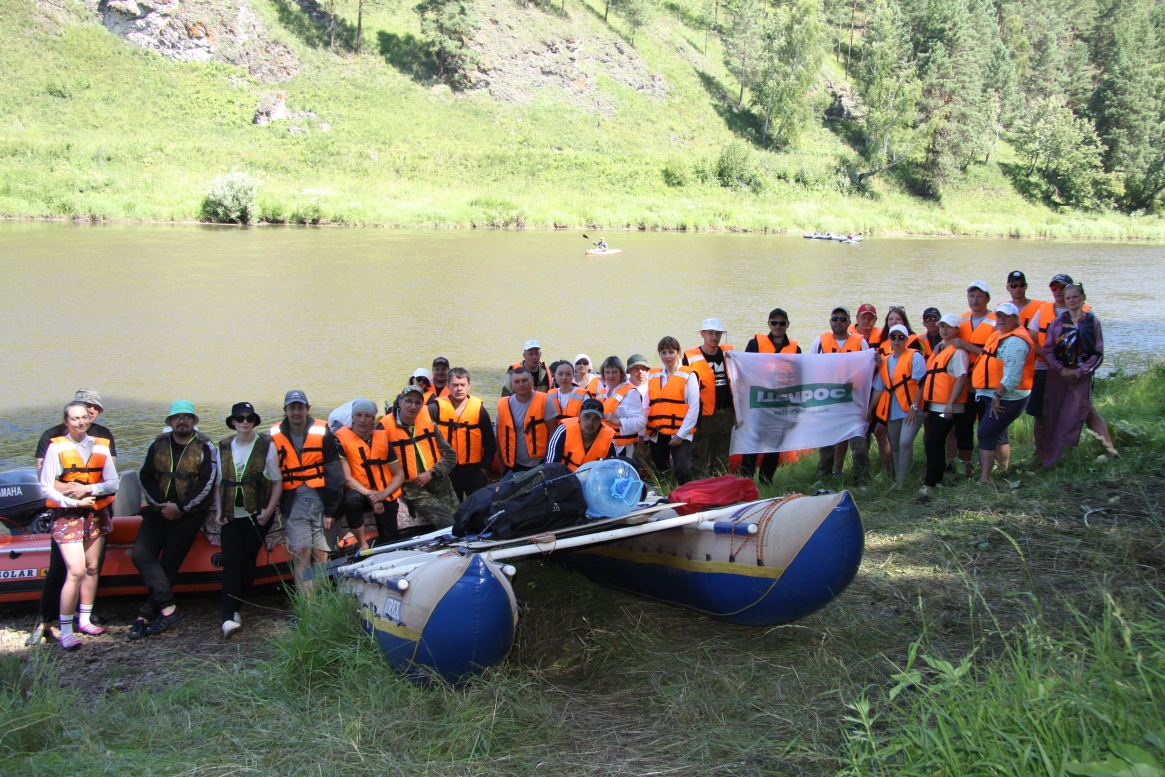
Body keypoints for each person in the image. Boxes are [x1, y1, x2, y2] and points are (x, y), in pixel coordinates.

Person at [28, 388, 116, 646]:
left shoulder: (102, 440)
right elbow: (47, 483)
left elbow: (111, 480)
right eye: (77, 414)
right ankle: (51, 623)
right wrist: (71, 497)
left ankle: (85, 619)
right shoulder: (53, 442)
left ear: (95, 414)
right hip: (66, 515)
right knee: (68, 570)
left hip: (97, 512)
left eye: (90, 411)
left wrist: (90, 490)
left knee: (91, 567)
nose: (84, 417)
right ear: (67, 419)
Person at [132, 401, 217, 639]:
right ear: (170, 422)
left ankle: (145, 614)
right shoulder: (157, 444)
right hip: (158, 512)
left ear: (193, 421)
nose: (182, 421)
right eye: (177, 417)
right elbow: (145, 477)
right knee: (141, 555)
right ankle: (168, 608)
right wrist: (161, 506)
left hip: (188, 514)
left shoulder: (205, 446)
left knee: (169, 563)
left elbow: (207, 483)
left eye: (187, 417)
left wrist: (180, 507)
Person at [216, 402, 282, 639]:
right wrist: (218, 510)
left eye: (249, 418)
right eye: (240, 418)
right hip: (231, 515)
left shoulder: (266, 445)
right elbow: (218, 485)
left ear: (254, 422)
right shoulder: (223, 447)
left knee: (247, 561)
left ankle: (235, 606)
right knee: (232, 561)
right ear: (233, 422)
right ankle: (228, 615)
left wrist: (269, 509)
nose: (245, 422)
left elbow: (276, 482)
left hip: (258, 514)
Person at [270, 390, 344, 592]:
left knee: (321, 555)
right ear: (285, 410)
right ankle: (307, 606)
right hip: (294, 502)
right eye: (292, 407)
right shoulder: (274, 435)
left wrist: (331, 511)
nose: (296, 412)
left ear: (307, 409)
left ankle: (321, 601)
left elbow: (335, 472)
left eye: (300, 407)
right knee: (302, 551)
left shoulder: (322, 431)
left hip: (321, 501)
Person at [1041, 284, 1118, 465]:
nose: (1072, 301)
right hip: (1058, 374)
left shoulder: (1092, 323)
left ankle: (1060, 457)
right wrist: (1060, 369)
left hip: (1081, 376)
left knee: (1072, 414)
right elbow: (1048, 349)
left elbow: (1098, 352)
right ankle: (1050, 456)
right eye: (1068, 298)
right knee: (1053, 413)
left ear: (1083, 298)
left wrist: (1080, 371)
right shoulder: (1058, 323)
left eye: (1075, 297)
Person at [1027, 273, 1093, 462]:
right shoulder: (1044, 310)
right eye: (1054, 288)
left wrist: (1075, 369)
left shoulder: (1087, 315)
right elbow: (1032, 338)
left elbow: (1093, 348)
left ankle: (1067, 452)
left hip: (1071, 372)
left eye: (1062, 288)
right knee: (1040, 413)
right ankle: (1041, 453)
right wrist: (1050, 360)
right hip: (1044, 368)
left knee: (1073, 411)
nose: (1058, 292)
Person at [970, 303, 1034, 483]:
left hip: (1006, 396)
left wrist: (997, 396)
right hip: (993, 393)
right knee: (997, 433)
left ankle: (985, 479)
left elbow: (1012, 377)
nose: (1002, 320)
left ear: (1016, 318)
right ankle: (1001, 471)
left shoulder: (1016, 341)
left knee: (986, 433)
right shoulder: (1000, 335)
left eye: (1006, 316)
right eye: (999, 316)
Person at [380, 385, 459, 528]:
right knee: (450, 524)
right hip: (415, 490)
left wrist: (431, 473)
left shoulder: (428, 422)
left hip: (440, 482)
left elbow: (450, 456)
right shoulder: (384, 428)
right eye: (408, 401)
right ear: (400, 402)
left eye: (417, 402)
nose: (413, 406)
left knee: (463, 520)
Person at [811, 307, 871, 483]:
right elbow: (809, 366)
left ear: (849, 322)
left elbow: (867, 371)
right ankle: (823, 476)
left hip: (853, 399)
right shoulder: (820, 341)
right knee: (827, 443)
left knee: (858, 443)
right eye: (835, 319)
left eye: (843, 319)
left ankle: (862, 480)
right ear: (830, 321)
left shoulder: (860, 343)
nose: (839, 322)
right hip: (827, 399)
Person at [335, 399, 407, 545]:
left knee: (390, 537)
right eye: (359, 415)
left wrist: (383, 495)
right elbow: (347, 478)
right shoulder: (340, 440)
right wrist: (372, 496)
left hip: (382, 492)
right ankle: (363, 544)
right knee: (351, 498)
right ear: (353, 417)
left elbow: (399, 474)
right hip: (360, 492)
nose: (362, 420)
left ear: (373, 419)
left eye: (367, 416)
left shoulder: (382, 440)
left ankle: (389, 545)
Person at [742, 310, 801, 482]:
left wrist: (795, 407)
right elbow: (744, 368)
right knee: (752, 443)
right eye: (774, 323)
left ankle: (766, 481)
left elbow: (799, 377)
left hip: (781, 404)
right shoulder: (755, 344)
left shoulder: (795, 348)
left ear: (787, 325)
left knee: (774, 446)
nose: (778, 326)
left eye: (782, 323)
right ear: (768, 324)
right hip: (758, 403)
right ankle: (746, 481)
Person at [919, 314, 969, 491]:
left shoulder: (958, 352)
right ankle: (937, 478)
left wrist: (950, 404)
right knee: (935, 442)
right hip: (934, 405)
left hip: (948, 407)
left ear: (957, 329)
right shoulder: (940, 349)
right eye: (942, 326)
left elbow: (961, 379)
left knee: (933, 442)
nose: (944, 329)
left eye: (948, 326)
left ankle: (930, 483)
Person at [870, 325, 927, 483]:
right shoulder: (885, 361)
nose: (897, 340)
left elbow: (921, 383)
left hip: (912, 408)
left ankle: (902, 481)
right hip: (892, 408)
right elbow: (878, 388)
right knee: (895, 445)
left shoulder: (914, 357)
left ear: (907, 339)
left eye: (901, 337)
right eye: (893, 337)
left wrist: (914, 407)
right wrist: (870, 410)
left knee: (905, 442)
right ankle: (899, 479)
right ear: (889, 339)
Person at [431, 368, 496, 501]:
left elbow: (490, 442)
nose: (459, 389)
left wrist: (484, 468)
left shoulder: (479, 410)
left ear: (469, 386)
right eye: (455, 385)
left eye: (462, 385)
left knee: (479, 509)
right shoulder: (435, 409)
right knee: (451, 512)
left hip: (474, 470)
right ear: (448, 385)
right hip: (446, 470)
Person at [952, 280, 997, 470]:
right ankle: (966, 467)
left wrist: (966, 346)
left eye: (979, 296)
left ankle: (996, 467)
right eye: (971, 295)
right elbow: (953, 343)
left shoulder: (996, 321)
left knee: (990, 427)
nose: (975, 300)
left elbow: (995, 354)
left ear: (987, 298)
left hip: (988, 383)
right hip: (966, 383)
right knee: (964, 426)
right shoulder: (962, 319)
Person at [683, 318, 735, 475]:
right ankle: (696, 490)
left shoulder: (729, 354)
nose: (714, 337)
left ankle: (718, 488)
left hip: (725, 412)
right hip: (703, 415)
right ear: (703, 334)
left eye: (718, 333)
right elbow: (683, 387)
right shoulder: (690, 357)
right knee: (699, 456)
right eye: (710, 333)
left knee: (721, 458)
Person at [646, 337, 700, 484]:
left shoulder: (689, 375)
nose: (667, 356)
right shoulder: (653, 375)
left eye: (671, 352)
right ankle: (666, 499)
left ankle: (689, 498)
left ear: (678, 353)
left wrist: (681, 435)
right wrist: (642, 435)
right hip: (657, 433)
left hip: (681, 431)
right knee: (661, 472)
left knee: (681, 470)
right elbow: (646, 406)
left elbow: (694, 408)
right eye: (663, 352)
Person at [496, 367, 558, 476]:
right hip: (513, 465)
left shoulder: (545, 400)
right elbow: (499, 439)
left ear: (532, 381)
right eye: (517, 381)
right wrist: (503, 469)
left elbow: (553, 435)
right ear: (512, 384)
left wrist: (549, 464)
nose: (521, 384)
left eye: (524, 380)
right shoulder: (503, 405)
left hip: (539, 463)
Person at [545, 399, 617, 471]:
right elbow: (550, 467)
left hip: (593, 481)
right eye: (587, 416)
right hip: (563, 479)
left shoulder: (609, 442)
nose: (591, 422)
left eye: (596, 418)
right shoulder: (563, 431)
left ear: (601, 421)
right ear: (579, 416)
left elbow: (613, 472)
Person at [595, 356, 647, 457]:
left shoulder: (630, 393)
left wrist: (618, 421)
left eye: (614, 372)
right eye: (607, 372)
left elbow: (640, 422)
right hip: (603, 445)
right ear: (603, 374)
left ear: (621, 373)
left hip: (622, 447)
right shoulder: (603, 392)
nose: (611, 376)